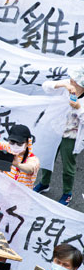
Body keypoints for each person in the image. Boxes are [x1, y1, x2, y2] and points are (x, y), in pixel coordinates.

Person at [35, 65, 84, 205]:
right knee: (47, 157)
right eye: (72, 79)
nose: (72, 81)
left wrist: (78, 108)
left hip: (71, 136)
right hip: (54, 130)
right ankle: (44, 183)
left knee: (68, 166)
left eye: (75, 81)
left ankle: (67, 193)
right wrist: (62, 84)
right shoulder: (66, 86)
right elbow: (46, 86)